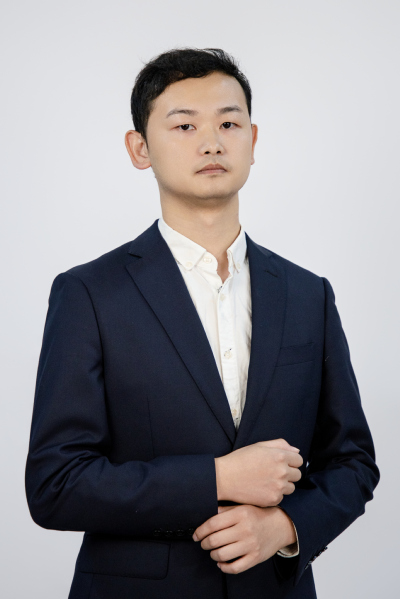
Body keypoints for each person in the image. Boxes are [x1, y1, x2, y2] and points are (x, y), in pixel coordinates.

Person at [25, 48, 380, 599]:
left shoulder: (309, 294)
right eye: (185, 125)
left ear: (253, 141)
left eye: (229, 124)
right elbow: (56, 485)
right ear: (140, 148)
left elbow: (353, 462)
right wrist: (217, 478)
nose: (212, 142)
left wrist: (287, 528)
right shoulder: (89, 294)